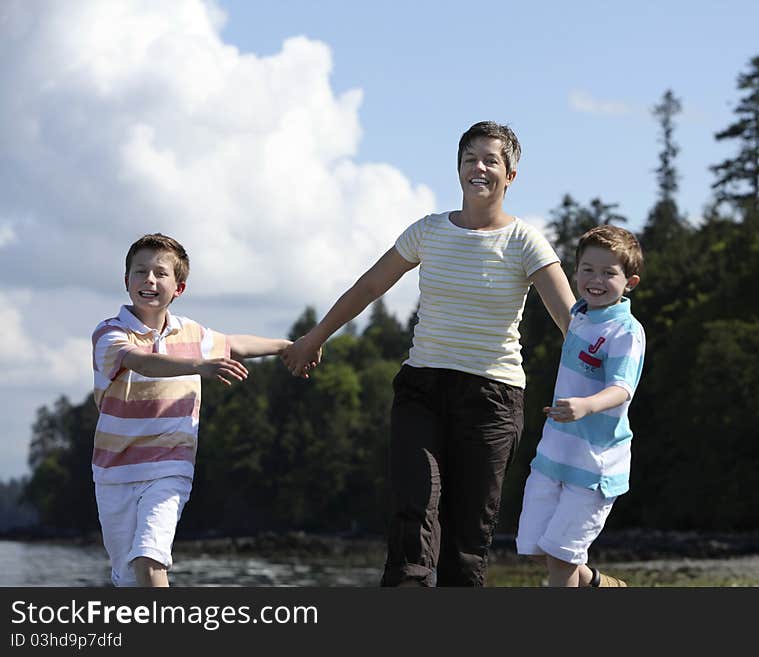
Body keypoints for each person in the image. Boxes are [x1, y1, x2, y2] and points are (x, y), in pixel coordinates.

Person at [282, 121, 576, 586]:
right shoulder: (428, 231)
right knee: (414, 505)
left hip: (491, 398)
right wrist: (315, 337)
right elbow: (370, 286)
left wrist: (604, 389)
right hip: (422, 387)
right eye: (469, 158)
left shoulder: (525, 242)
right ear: (458, 168)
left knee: (467, 536)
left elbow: (571, 324)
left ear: (511, 175)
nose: (478, 168)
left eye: (490, 160)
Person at [91, 233, 292, 587]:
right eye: (140, 272)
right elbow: (144, 362)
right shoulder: (110, 334)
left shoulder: (193, 333)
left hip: (170, 465)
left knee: (150, 557)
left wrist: (289, 345)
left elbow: (236, 345)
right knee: (128, 577)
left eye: (160, 273)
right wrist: (199, 366)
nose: (149, 280)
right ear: (126, 282)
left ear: (179, 288)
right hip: (115, 472)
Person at [515, 224, 645, 587]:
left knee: (561, 557)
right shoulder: (580, 316)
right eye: (588, 269)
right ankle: (601, 585)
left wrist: (587, 405)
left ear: (629, 282)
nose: (596, 280)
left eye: (609, 273)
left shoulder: (626, 332)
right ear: (576, 272)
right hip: (555, 454)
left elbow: (622, 388)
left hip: (595, 465)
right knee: (540, 549)